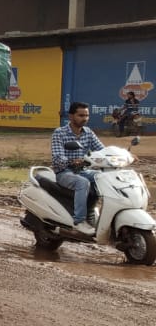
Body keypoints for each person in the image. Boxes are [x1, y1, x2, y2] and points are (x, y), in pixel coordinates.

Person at [50, 101, 105, 236]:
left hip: (82, 170)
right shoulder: (60, 133)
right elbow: (57, 158)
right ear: (71, 116)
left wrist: (120, 154)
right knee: (82, 182)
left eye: (86, 115)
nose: (84, 118)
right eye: (81, 115)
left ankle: (91, 214)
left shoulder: (88, 132)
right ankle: (79, 222)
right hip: (64, 172)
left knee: (102, 178)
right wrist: (71, 161)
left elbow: (102, 150)